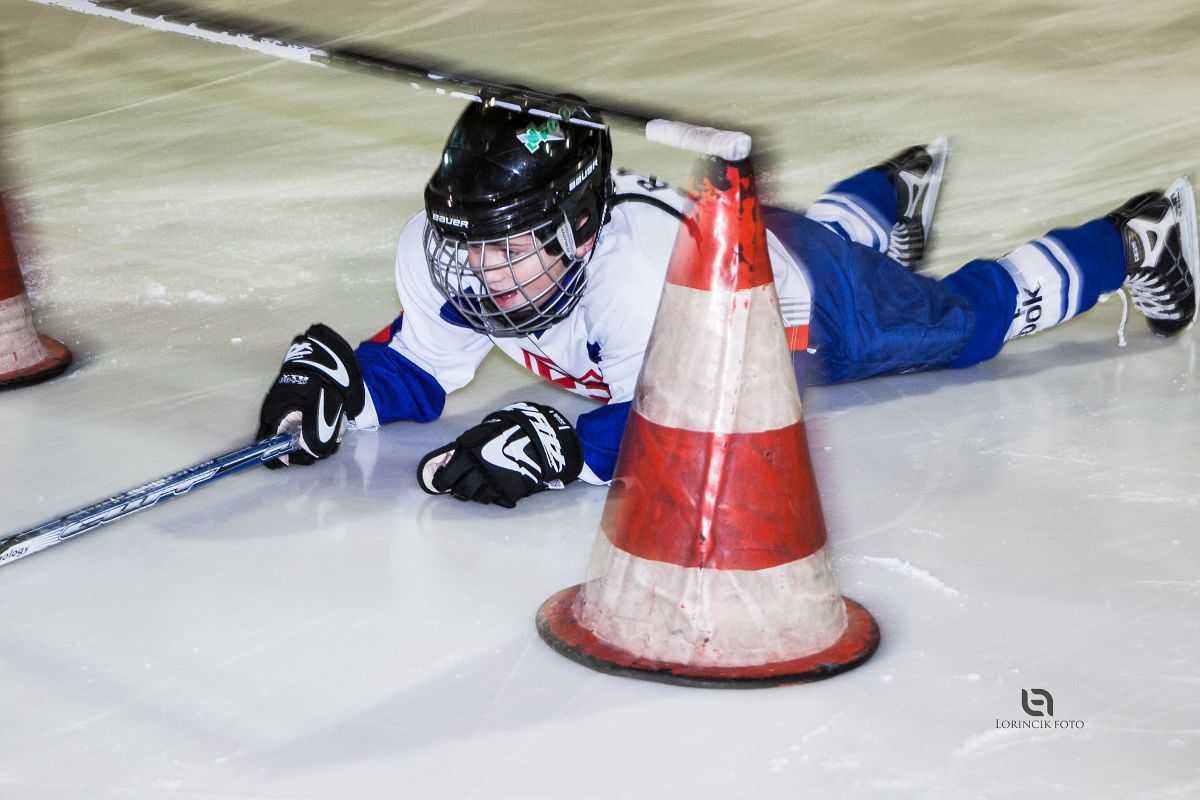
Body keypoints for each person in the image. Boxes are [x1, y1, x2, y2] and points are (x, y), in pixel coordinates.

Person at [255, 102, 1198, 508]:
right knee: (811, 232)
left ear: (579, 227)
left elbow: (700, 420)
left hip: (815, 311)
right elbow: (425, 357)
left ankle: (1138, 235)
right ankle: (896, 186)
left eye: (509, 246)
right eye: (467, 240)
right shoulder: (458, 253)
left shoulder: (644, 275)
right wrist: (350, 391)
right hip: (745, 240)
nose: (479, 272)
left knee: (967, 322)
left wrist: (571, 450)